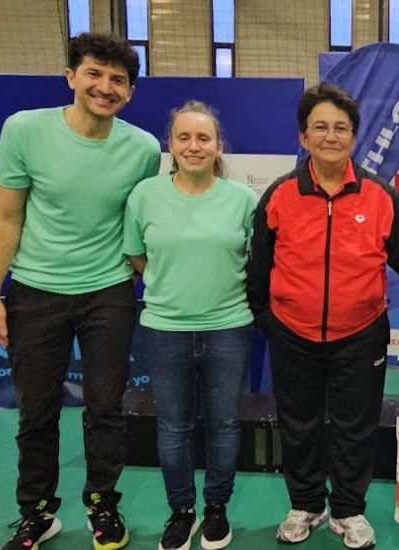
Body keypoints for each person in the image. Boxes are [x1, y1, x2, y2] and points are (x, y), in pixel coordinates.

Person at [0, 32, 160, 550]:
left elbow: (140, 226)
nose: (105, 87)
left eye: (117, 80)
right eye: (94, 74)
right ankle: (37, 513)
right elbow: (6, 216)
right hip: (35, 292)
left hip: (109, 293)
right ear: (71, 77)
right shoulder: (24, 130)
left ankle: (103, 505)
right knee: (37, 413)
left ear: (130, 92)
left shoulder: (145, 149)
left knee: (106, 408)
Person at [247, 81, 399, 549]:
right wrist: (270, 322)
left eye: (341, 128)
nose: (331, 136)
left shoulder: (380, 196)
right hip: (293, 334)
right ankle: (306, 504)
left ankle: (348, 510)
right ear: (303, 136)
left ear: (353, 135)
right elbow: (259, 267)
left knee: (356, 427)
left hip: (361, 335)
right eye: (320, 127)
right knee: (299, 425)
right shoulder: (279, 195)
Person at [123, 101, 256, 550]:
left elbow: (255, 259)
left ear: (219, 146)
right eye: (184, 137)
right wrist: (169, 286)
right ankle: (181, 511)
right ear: (171, 144)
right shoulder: (144, 196)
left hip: (229, 328)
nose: (193, 146)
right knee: (174, 427)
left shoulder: (243, 199)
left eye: (203, 138)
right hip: (165, 329)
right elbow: (136, 255)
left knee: (224, 424)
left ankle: (216, 509)